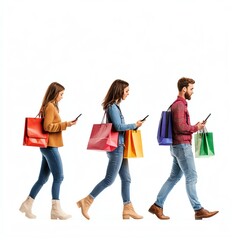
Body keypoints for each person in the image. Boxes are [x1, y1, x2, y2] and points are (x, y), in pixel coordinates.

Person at [148, 77, 219, 220]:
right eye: (191, 89)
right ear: (184, 89)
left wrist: (195, 126)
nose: (193, 92)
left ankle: (157, 205)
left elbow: (180, 126)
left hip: (176, 147)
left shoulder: (177, 104)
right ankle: (198, 209)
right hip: (182, 146)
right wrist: (196, 127)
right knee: (192, 177)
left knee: (174, 177)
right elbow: (181, 128)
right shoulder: (180, 105)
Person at [76, 79, 144, 220]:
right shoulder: (112, 107)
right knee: (109, 179)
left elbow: (118, 127)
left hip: (121, 147)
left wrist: (135, 126)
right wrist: (134, 124)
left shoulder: (116, 107)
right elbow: (118, 127)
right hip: (116, 148)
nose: (128, 94)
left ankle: (128, 208)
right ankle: (86, 201)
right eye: (126, 91)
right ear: (119, 91)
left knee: (126, 178)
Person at [19, 82, 77, 220]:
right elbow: (47, 127)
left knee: (42, 178)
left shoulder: (50, 105)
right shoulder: (50, 106)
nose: (62, 97)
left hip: (47, 147)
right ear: (55, 93)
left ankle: (27, 205)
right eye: (61, 94)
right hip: (50, 147)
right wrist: (66, 124)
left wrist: (65, 124)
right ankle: (56, 210)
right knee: (59, 177)